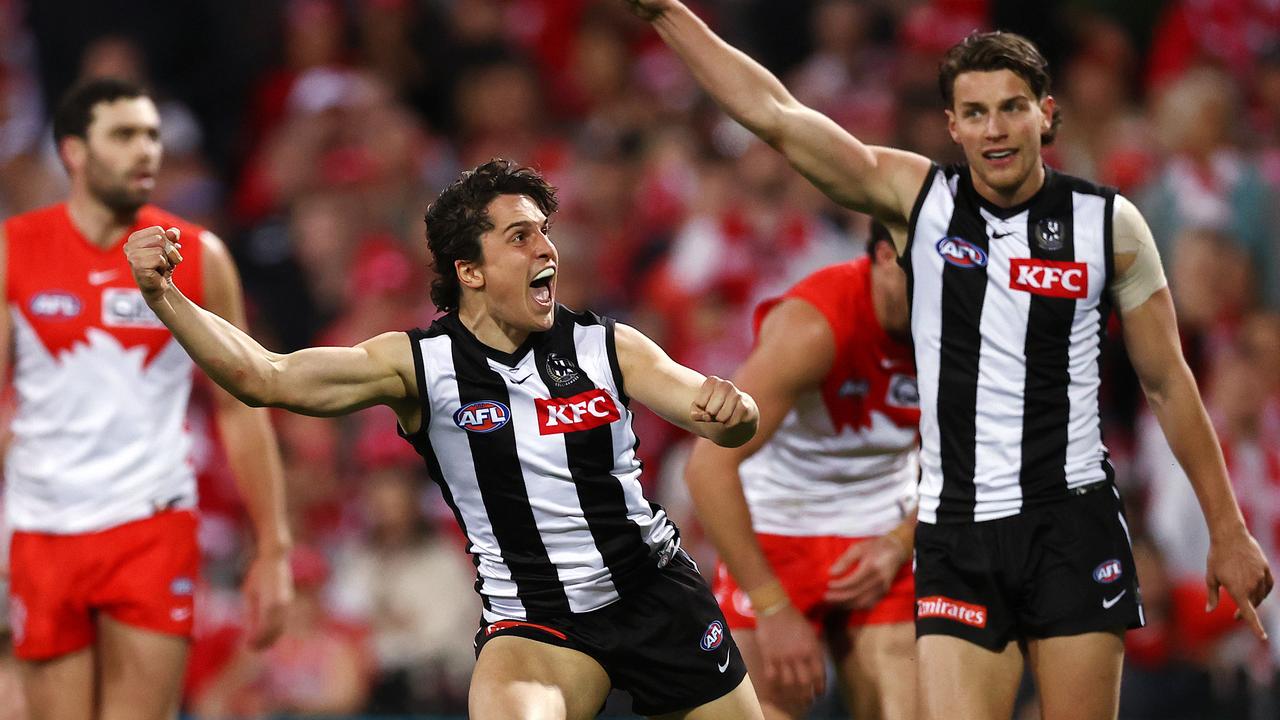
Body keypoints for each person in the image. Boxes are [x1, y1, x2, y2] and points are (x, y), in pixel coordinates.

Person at [622, 3, 1274, 719]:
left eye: (1012, 108)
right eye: (976, 112)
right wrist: (665, 13)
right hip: (958, 532)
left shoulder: (1109, 225)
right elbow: (775, 114)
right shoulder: (919, 202)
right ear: (952, 125)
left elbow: (1168, 383)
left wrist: (1228, 528)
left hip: (1073, 521)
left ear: (1045, 115)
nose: (995, 128)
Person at [124, 158, 766, 720]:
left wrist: (732, 411)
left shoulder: (608, 346)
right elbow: (266, 377)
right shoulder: (419, 366)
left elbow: (714, 411)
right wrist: (164, 296)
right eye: (521, 237)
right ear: (472, 271)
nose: (547, 250)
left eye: (546, 232)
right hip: (538, 623)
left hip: (655, 592)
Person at [1, 77, 293, 720]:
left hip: (150, 525)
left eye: (153, 136)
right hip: (44, 528)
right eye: (125, 135)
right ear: (74, 151)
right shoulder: (12, 251)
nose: (147, 152)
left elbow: (241, 405)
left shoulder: (197, 256)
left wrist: (272, 548)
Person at [684, 223, 919, 720]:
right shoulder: (815, 327)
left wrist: (901, 540)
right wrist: (771, 607)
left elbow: (974, 463)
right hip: (778, 527)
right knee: (766, 709)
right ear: (883, 255)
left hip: (883, 528)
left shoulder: (963, 321)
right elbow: (708, 467)